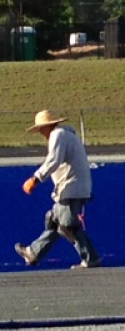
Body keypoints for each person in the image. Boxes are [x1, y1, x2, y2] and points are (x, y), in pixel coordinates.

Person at [15, 110, 102, 269]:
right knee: (54, 222)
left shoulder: (58, 135)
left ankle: (91, 258)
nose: (40, 132)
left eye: (41, 128)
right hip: (73, 187)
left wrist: (35, 179)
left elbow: (53, 160)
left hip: (71, 188)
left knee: (67, 226)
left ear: (47, 126)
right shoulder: (66, 135)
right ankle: (33, 252)